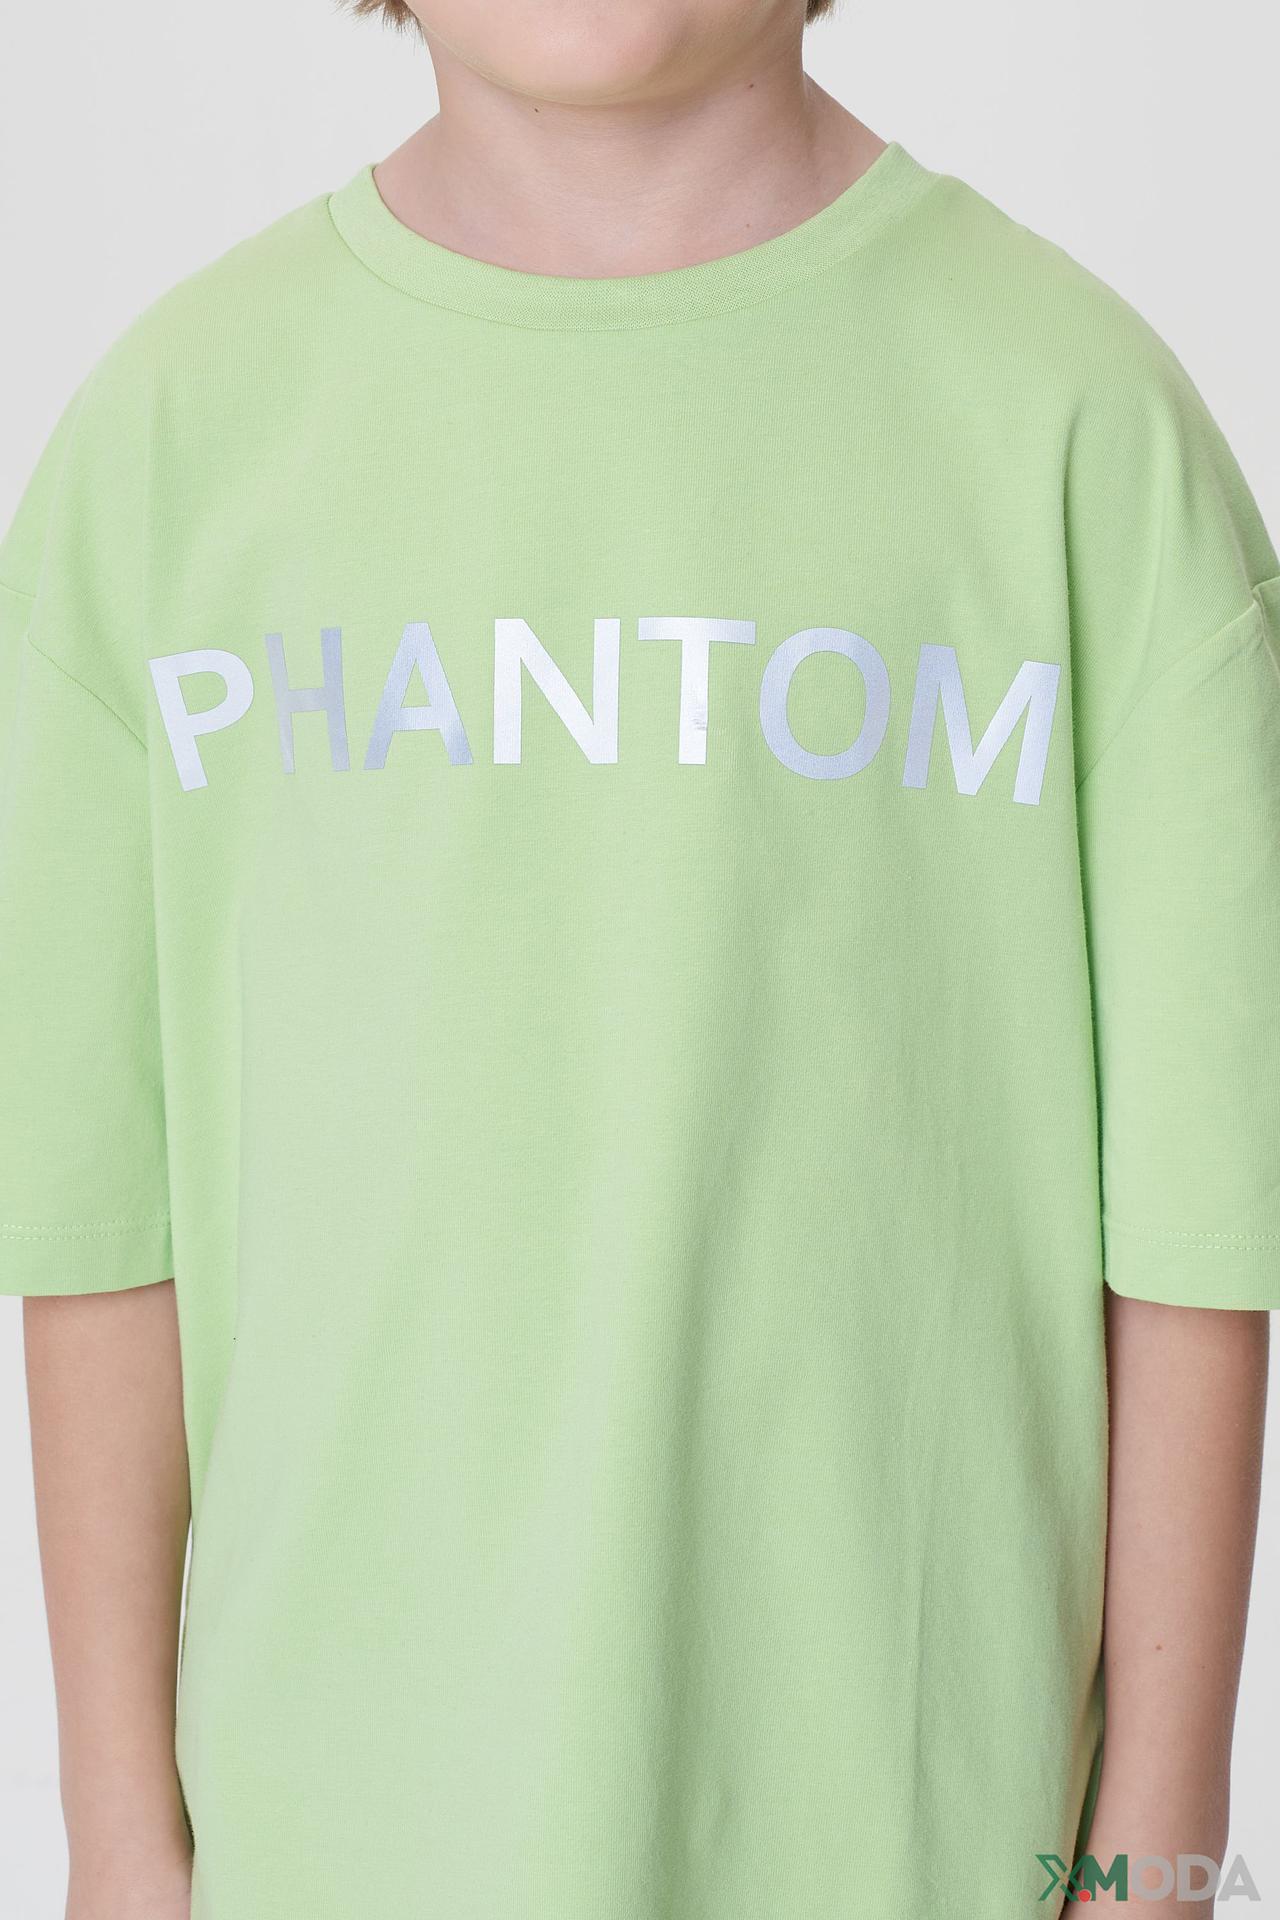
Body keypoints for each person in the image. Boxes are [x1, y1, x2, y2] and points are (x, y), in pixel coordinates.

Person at [1, 2, 1276, 1916]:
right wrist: (116, 1839)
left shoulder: (1083, 427)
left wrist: (1156, 1858)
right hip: (341, 1850)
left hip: (917, 1845)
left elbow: (1198, 1233)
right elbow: (98, 1221)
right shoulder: (165, 445)